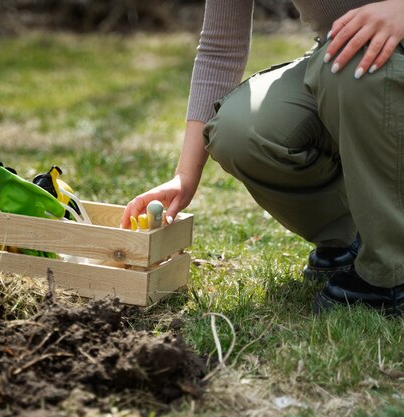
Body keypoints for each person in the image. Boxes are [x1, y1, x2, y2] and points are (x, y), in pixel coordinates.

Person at [121, 0, 404, 315]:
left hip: (373, 61)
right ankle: (353, 237)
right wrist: (184, 177)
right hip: (339, 59)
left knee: (355, 65)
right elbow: (220, 48)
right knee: (239, 131)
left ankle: (392, 269)